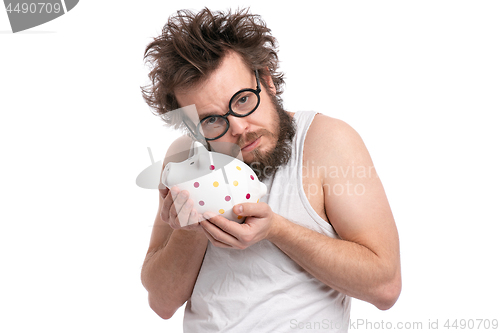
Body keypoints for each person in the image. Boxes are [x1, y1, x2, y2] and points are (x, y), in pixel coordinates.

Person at [140, 7, 401, 333]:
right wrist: (188, 230)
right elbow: (161, 303)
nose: (237, 127)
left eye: (243, 100)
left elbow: (385, 287)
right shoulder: (184, 158)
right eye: (211, 120)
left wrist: (277, 229)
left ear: (266, 80)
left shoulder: (327, 142)